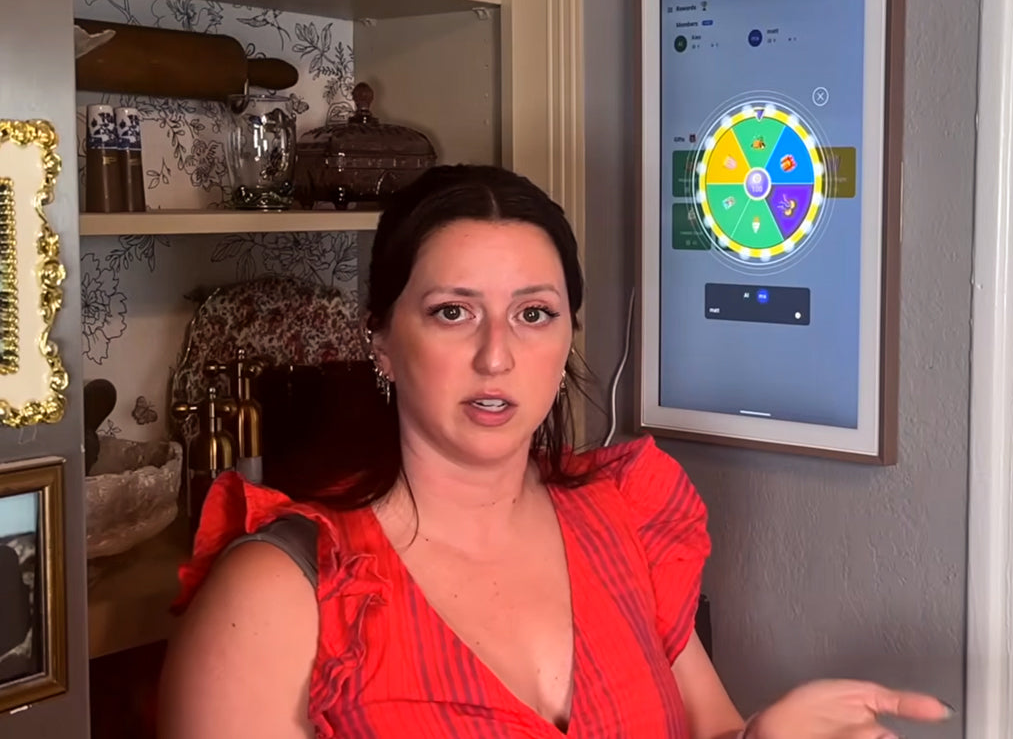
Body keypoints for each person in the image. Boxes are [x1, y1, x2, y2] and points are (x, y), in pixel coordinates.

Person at [157, 164, 953, 739]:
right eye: (451, 312)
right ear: (383, 344)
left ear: (568, 333)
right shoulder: (279, 597)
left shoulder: (625, 518)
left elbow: (711, 729)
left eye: (533, 314)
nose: (496, 356)